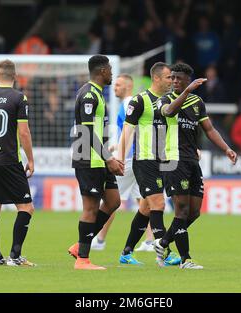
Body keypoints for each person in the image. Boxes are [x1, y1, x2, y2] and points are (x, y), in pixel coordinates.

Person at [154, 63, 238, 269]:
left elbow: (209, 130)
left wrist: (226, 149)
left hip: (192, 160)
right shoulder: (164, 100)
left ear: (187, 79)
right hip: (173, 161)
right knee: (181, 210)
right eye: (172, 78)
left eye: (178, 78)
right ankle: (186, 260)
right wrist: (187, 91)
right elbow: (169, 112)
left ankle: (163, 242)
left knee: (194, 212)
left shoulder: (197, 102)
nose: (174, 81)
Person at [118, 62, 181, 266]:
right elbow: (127, 132)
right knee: (159, 204)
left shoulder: (172, 101)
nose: (172, 81)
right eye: (168, 77)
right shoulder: (140, 101)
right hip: (144, 160)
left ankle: (126, 252)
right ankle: (164, 251)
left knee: (146, 208)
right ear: (156, 78)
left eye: (173, 78)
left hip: (163, 161)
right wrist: (120, 157)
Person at [0, 60, 36, 267]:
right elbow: (23, 132)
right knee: (26, 207)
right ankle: (15, 256)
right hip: (9, 160)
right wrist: (31, 159)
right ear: (15, 76)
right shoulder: (19, 97)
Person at [68, 55, 124, 270]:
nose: (112, 73)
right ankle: (83, 260)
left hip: (99, 157)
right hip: (88, 158)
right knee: (90, 208)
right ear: (102, 71)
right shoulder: (89, 95)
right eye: (110, 69)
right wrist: (108, 158)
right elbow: (88, 131)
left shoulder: (98, 94)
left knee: (113, 201)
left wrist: (108, 155)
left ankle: (80, 245)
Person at [90, 74, 151, 251]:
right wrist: (116, 144)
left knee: (111, 200)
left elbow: (132, 131)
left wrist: (120, 155)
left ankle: (99, 240)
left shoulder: (128, 104)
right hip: (133, 157)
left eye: (118, 85)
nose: (114, 87)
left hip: (127, 160)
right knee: (143, 200)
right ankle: (149, 241)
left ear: (128, 87)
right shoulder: (129, 104)